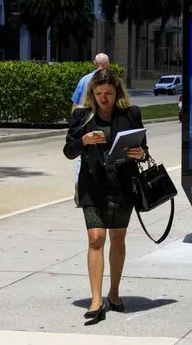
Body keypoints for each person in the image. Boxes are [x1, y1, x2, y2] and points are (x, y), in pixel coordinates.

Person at [63, 70, 148, 324]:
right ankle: (96, 299)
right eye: (99, 94)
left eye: (108, 94)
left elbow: (144, 151)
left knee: (118, 238)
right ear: (92, 94)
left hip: (122, 185)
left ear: (117, 93)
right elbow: (68, 150)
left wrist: (139, 153)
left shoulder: (131, 114)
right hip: (93, 186)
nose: (103, 98)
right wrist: (85, 140)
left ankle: (114, 292)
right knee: (96, 238)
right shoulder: (82, 116)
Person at [72, 54, 110, 206]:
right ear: (107, 64)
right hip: (102, 121)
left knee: (83, 157)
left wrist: (74, 124)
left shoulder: (84, 79)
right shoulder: (110, 80)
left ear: (95, 63)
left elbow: (75, 103)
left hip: (84, 122)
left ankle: (80, 186)